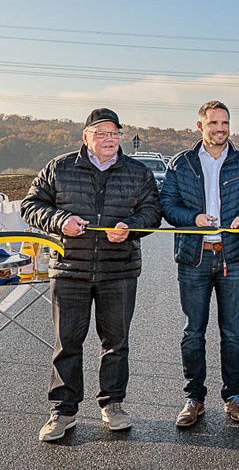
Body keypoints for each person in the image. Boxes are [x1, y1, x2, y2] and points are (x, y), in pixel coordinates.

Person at [21, 108, 161, 442]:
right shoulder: (59, 167)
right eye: (101, 133)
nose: (109, 139)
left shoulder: (138, 172)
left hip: (119, 271)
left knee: (115, 342)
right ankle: (63, 411)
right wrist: (60, 221)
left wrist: (131, 228)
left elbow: (153, 212)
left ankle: (113, 404)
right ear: (86, 137)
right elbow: (30, 205)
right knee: (67, 342)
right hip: (70, 270)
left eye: (114, 134)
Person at [160, 100, 239, 427]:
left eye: (225, 123)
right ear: (200, 126)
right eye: (214, 123)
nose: (221, 128)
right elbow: (167, 205)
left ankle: (233, 396)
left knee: (232, 332)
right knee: (194, 331)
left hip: (233, 257)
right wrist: (193, 218)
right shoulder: (181, 164)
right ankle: (194, 398)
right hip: (194, 257)